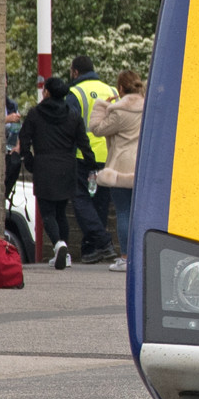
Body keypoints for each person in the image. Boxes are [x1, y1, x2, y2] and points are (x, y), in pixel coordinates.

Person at [18, 81, 96, 270]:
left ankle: (59, 245)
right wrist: (92, 165)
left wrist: (29, 161)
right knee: (61, 212)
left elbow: (24, 138)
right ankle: (65, 254)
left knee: (47, 213)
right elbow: (84, 143)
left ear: (47, 93)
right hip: (67, 166)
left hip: (44, 165)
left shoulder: (35, 114)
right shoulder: (73, 115)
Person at [66, 55, 122, 262]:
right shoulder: (113, 91)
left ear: (75, 72)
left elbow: (70, 127)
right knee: (100, 202)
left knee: (80, 199)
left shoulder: (75, 92)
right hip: (109, 154)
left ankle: (103, 241)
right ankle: (92, 250)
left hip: (84, 154)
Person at [93, 71, 146, 258]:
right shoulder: (147, 106)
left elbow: (97, 128)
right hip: (142, 166)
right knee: (139, 215)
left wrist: (103, 106)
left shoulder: (119, 111)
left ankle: (125, 257)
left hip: (121, 168)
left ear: (121, 88)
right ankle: (139, 256)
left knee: (123, 212)